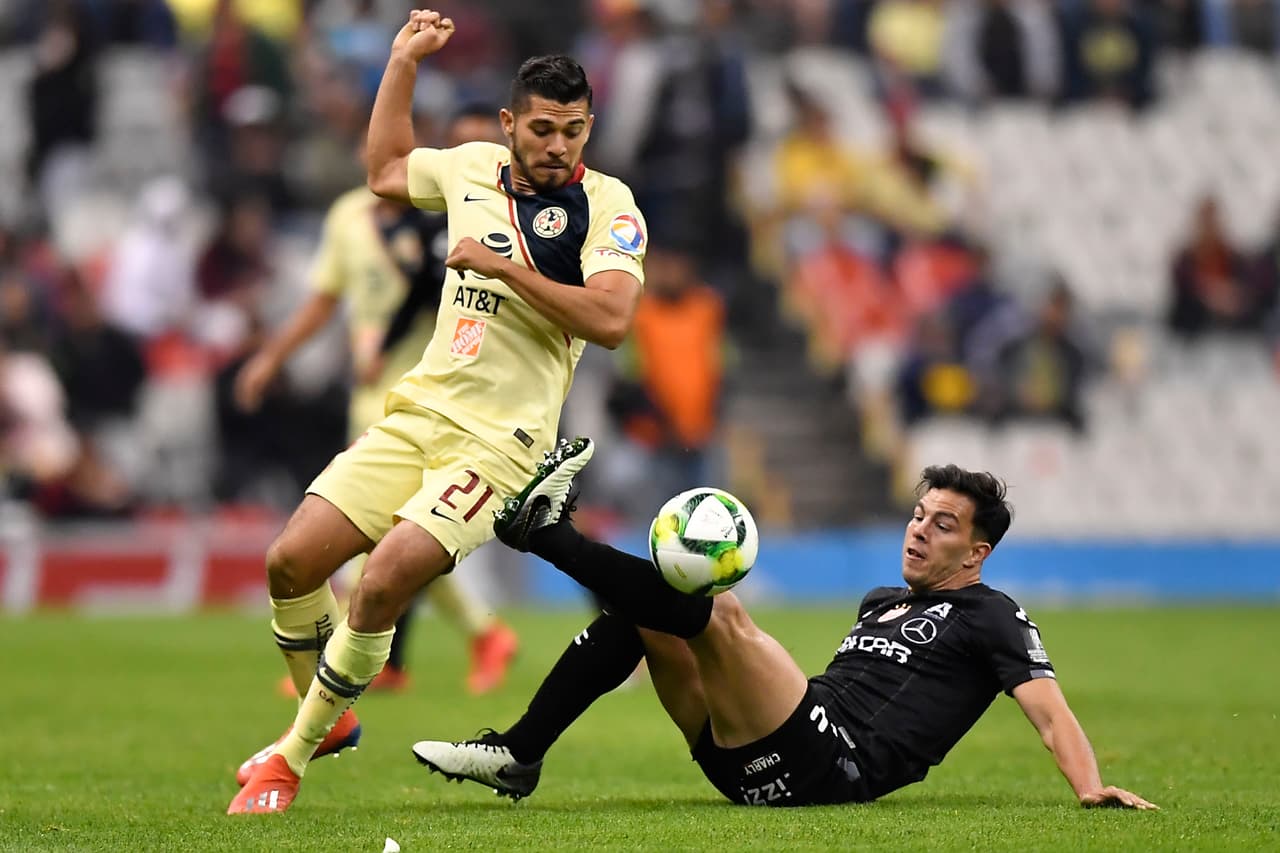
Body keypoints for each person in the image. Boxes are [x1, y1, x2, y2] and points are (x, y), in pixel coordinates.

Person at [228, 8, 648, 815]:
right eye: (542, 129)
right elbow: (385, 169)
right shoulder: (470, 168)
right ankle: (331, 714)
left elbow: (611, 319)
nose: (558, 146)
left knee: (381, 583)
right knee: (290, 561)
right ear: (509, 125)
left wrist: (502, 268)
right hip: (419, 410)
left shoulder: (610, 205)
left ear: (589, 129)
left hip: (501, 443)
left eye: (573, 131)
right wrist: (403, 64)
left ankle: (292, 754)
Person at [411, 443, 1158, 811]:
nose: (919, 530)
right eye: (918, 514)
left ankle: (547, 534)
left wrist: (1090, 787)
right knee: (650, 615)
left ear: (976, 552)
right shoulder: (881, 599)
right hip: (747, 760)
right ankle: (519, 753)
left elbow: (1049, 711)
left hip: (834, 765)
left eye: (944, 524)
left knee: (719, 608)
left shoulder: (991, 613)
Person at [232, 105, 520, 699]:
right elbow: (322, 301)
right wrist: (270, 359)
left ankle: (343, 660)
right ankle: (475, 635)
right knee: (391, 534)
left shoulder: (445, 215)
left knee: (392, 534)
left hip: (432, 392)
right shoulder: (347, 217)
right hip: (370, 395)